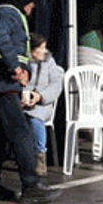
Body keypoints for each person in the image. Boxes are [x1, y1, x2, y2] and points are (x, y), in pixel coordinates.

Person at [0, 0, 59, 204]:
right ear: (21, 0)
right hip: (1, 85)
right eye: (31, 0)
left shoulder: (2, 13)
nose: (34, 5)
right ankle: (31, 186)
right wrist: (16, 68)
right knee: (21, 134)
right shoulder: (8, 14)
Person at [23, 33, 64, 176]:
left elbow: (56, 85)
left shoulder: (49, 62)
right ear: (32, 50)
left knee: (35, 119)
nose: (44, 51)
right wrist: (24, 95)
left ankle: (40, 156)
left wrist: (40, 96)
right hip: (22, 101)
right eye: (41, 48)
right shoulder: (23, 61)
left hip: (42, 104)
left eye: (45, 47)